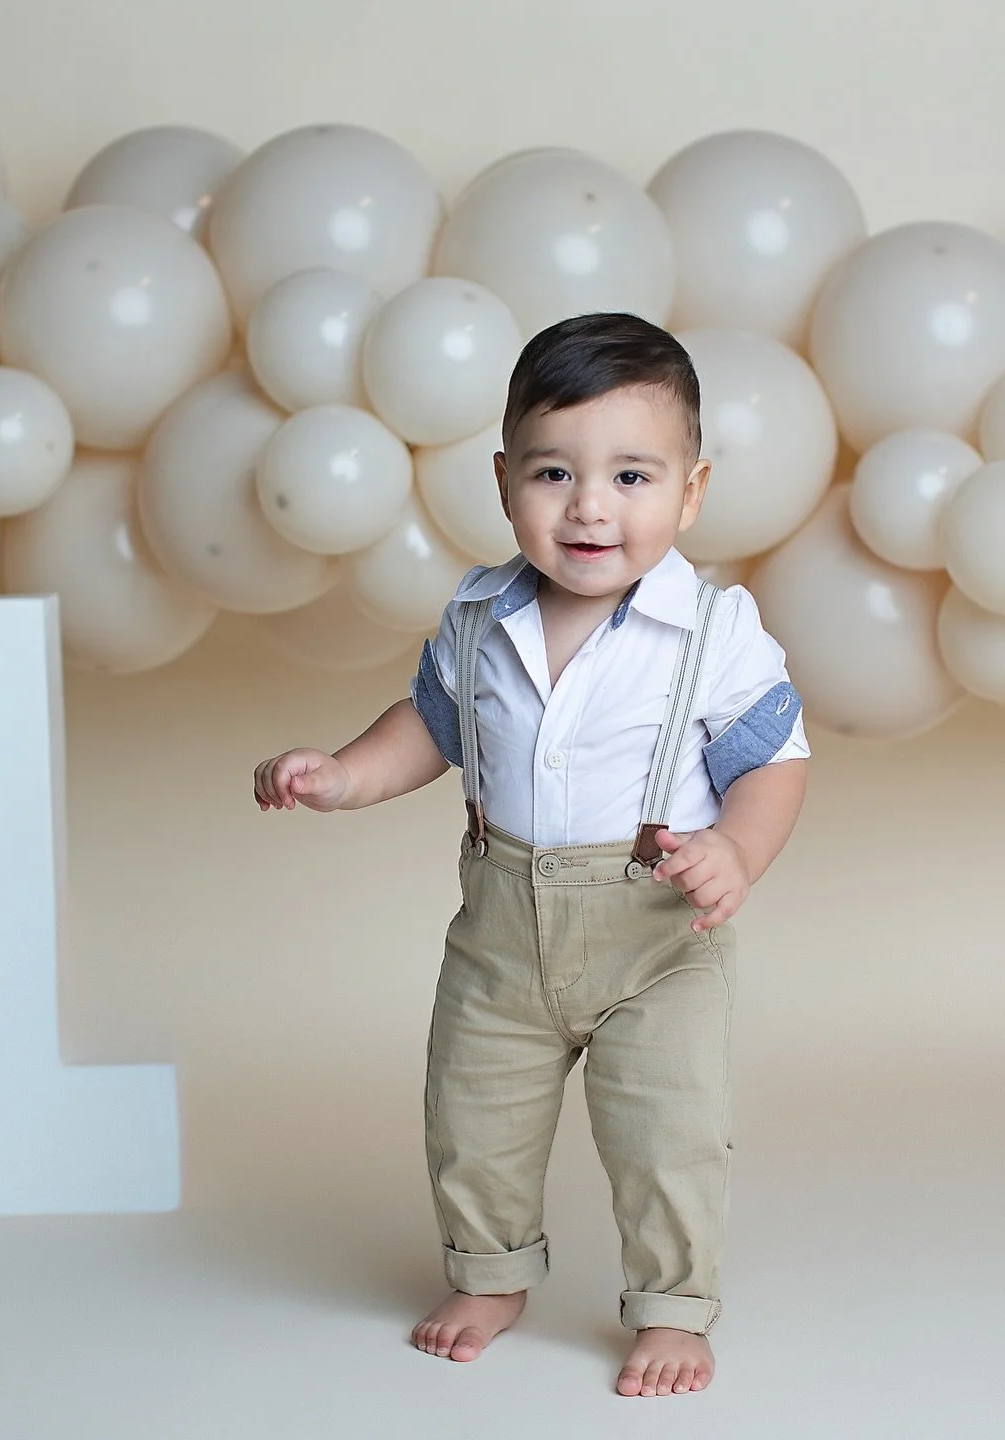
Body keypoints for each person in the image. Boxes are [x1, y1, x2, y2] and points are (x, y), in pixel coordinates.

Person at [251, 312, 809, 1398]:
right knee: (473, 1112)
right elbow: (430, 727)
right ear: (505, 482)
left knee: (668, 1128)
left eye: (633, 476)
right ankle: (492, 1272)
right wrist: (347, 776)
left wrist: (737, 850)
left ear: (692, 492)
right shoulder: (479, 613)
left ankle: (672, 1304)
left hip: (656, 935)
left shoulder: (713, 628)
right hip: (503, 929)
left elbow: (774, 761)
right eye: (555, 472)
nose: (591, 505)